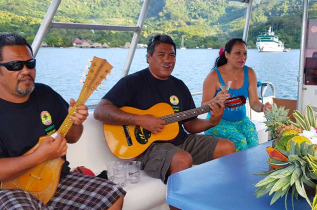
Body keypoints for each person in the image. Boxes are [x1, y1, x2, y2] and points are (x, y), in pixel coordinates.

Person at [0, 33, 125, 209]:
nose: (26, 71)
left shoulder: (45, 94)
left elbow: (72, 137)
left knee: (113, 193)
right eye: (15, 65)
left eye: (30, 63)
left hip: (57, 178)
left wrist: (76, 121)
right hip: (9, 188)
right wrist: (39, 156)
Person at [94, 34, 235, 186]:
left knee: (227, 147)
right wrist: (140, 119)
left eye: (171, 55)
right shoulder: (132, 82)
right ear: (149, 57)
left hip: (180, 141)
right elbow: (100, 111)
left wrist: (211, 122)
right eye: (161, 55)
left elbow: (190, 125)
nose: (167, 60)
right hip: (147, 148)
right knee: (183, 158)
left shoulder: (179, 86)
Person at [202, 38, 272, 151]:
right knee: (240, 142)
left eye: (245, 53)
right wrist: (215, 100)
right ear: (227, 54)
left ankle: (251, 169)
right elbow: (203, 106)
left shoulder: (249, 73)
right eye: (237, 53)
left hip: (242, 121)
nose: (242, 57)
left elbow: (254, 102)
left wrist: (263, 107)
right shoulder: (214, 75)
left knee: (253, 143)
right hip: (218, 123)